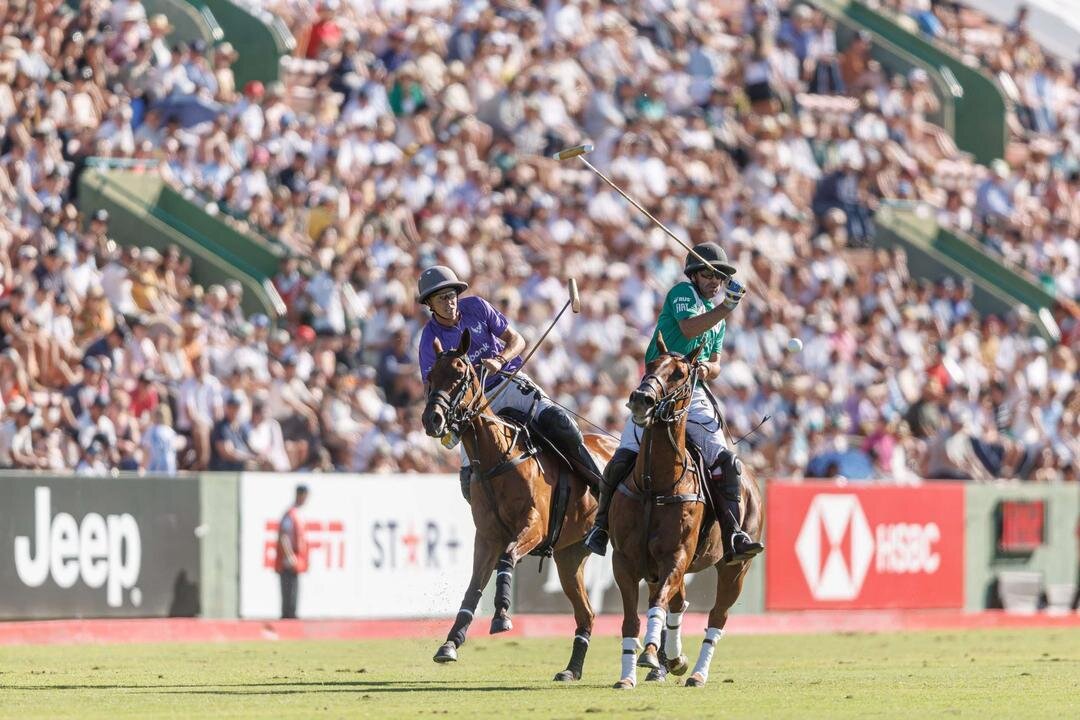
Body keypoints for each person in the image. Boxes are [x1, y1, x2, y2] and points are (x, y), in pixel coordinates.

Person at [583, 243, 766, 565]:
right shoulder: (683, 293)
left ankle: (733, 532)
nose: (715, 282)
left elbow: (716, 361)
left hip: (692, 393)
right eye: (709, 274)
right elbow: (687, 328)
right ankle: (600, 526)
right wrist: (727, 307)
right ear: (694, 274)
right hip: (658, 384)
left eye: (720, 278)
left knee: (725, 459)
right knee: (625, 454)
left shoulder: (718, 318)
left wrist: (709, 368)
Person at [415, 265, 603, 501]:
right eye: (441, 298)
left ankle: (602, 490)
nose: (449, 302)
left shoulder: (477, 307)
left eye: (451, 295)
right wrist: (440, 415)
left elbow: (517, 340)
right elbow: (430, 386)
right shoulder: (429, 338)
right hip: (474, 406)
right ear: (429, 304)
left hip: (508, 381)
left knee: (560, 423)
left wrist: (500, 359)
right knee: (467, 483)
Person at [275, 484, 309, 619]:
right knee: (288, 589)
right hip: (289, 557)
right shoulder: (290, 515)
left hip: (297, 557)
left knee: (294, 589)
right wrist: (289, 555)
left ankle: (292, 615)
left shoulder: (298, 514)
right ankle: (288, 618)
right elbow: (283, 536)